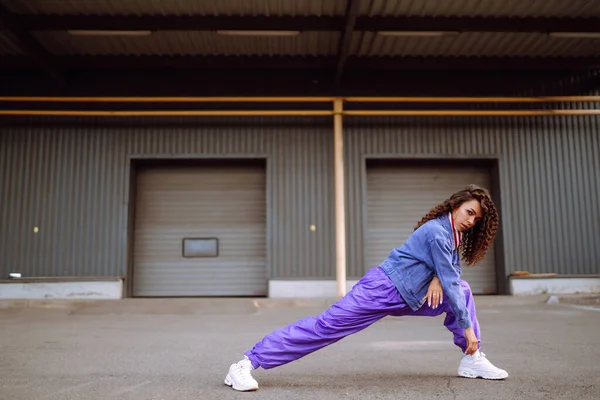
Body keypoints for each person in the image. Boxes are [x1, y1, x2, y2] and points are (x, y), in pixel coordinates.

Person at [224, 184, 508, 392]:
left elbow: (450, 272)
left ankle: (472, 358)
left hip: (412, 295)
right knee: (324, 328)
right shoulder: (437, 231)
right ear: (455, 205)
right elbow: (449, 275)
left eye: (476, 219)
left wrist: (436, 278)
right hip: (382, 288)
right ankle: (246, 363)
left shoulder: (452, 233)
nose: (471, 221)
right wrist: (466, 326)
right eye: (469, 212)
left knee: (463, 289)